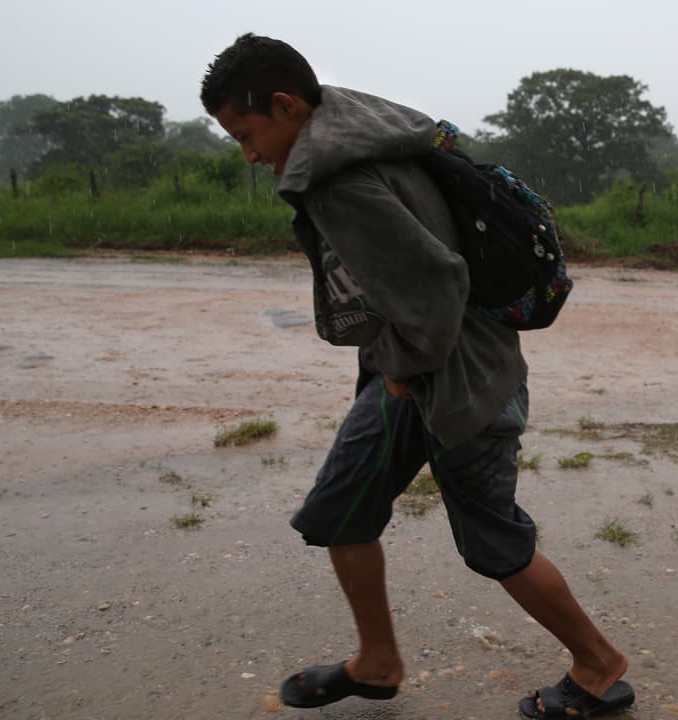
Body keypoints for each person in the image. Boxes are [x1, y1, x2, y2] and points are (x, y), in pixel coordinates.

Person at [200, 33, 633, 718]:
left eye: (247, 135)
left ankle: (600, 667)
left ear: (286, 105)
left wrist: (399, 371)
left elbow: (436, 290)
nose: (249, 155)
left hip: (461, 381)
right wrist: (393, 371)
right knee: (339, 511)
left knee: (495, 542)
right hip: (403, 371)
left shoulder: (338, 175)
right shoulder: (361, 124)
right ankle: (377, 663)